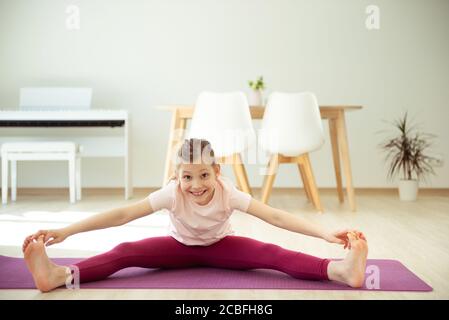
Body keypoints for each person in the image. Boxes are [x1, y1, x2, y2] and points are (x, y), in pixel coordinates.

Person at [22, 138, 368, 292]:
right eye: (187, 176)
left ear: (216, 171)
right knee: (125, 251)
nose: (196, 184)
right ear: (177, 176)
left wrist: (325, 235)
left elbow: (275, 217)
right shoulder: (172, 193)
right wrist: (67, 230)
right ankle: (58, 276)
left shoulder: (227, 191)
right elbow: (123, 214)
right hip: (177, 247)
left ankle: (339, 270)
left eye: (204, 175)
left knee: (271, 253)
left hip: (222, 245)